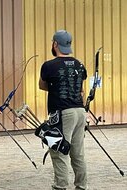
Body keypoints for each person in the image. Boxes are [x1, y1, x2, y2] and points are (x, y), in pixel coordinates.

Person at [39, 30, 88, 190]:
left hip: (62, 113)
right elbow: (81, 90)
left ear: (55, 44)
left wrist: (56, 88)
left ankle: (60, 186)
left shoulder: (49, 66)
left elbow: (42, 85)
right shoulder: (79, 65)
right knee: (77, 152)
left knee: (59, 150)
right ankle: (81, 186)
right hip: (80, 111)